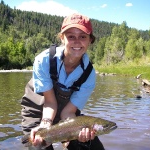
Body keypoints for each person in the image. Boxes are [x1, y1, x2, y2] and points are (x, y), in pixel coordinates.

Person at [21, 13, 105, 150]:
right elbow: (50, 102)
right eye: (71, 36)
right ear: (62, 38)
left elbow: (68, 112)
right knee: (37, 145)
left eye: (83, 37)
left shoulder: (89, 74)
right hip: (38, 111)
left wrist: (72, 136)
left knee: (90, 146)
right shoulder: (43, 61)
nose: (77, 41)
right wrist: (45, 125)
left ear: (90, 40)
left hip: (67, 116)